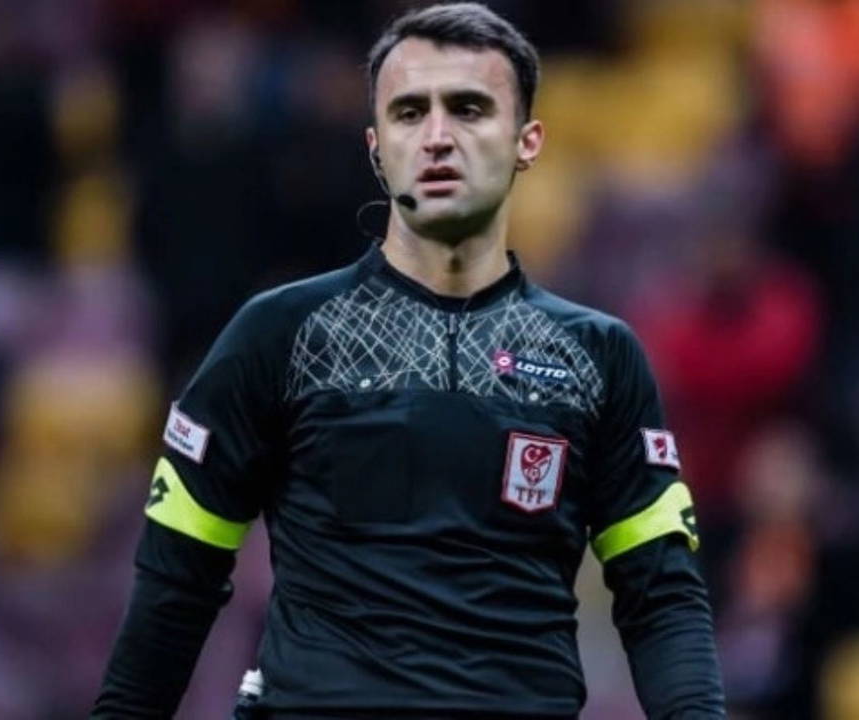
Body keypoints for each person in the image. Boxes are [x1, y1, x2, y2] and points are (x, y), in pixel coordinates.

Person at [94, 3, 725, 718]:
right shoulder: (279, 336)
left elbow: (662, 596)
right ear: (375, 146)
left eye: (469, 109)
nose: (437, 136)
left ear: (527, 141)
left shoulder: (598, 357)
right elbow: (176, 582)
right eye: (409, 112)